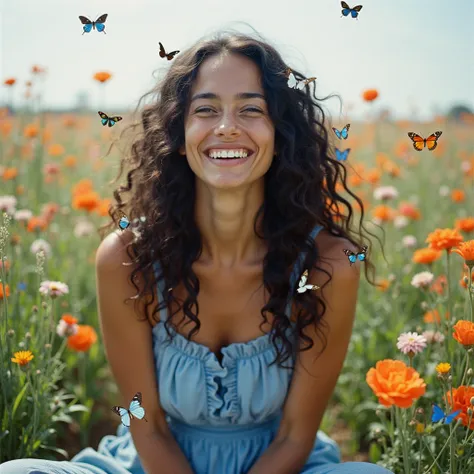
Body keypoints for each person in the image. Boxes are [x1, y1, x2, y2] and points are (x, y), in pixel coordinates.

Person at [0, 28, 392, 474]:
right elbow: (147, 427)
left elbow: (294, 436)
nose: (227, 126)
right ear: (178, 133)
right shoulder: (127, 259)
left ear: (280, 133)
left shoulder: (328, 265)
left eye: (251, 109)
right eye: (205, 109)